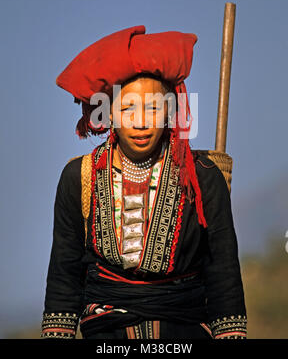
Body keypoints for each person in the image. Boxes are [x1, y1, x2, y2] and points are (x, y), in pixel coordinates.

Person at [41, 25, 247, 340]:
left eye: (153, 108)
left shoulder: (203, 176)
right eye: (127, 108)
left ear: (170, 111)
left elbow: (223, 274)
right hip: (106, 334)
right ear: (108, 113)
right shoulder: (79, 177)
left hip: (185, 333)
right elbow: (64, 275)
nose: (140, 121)